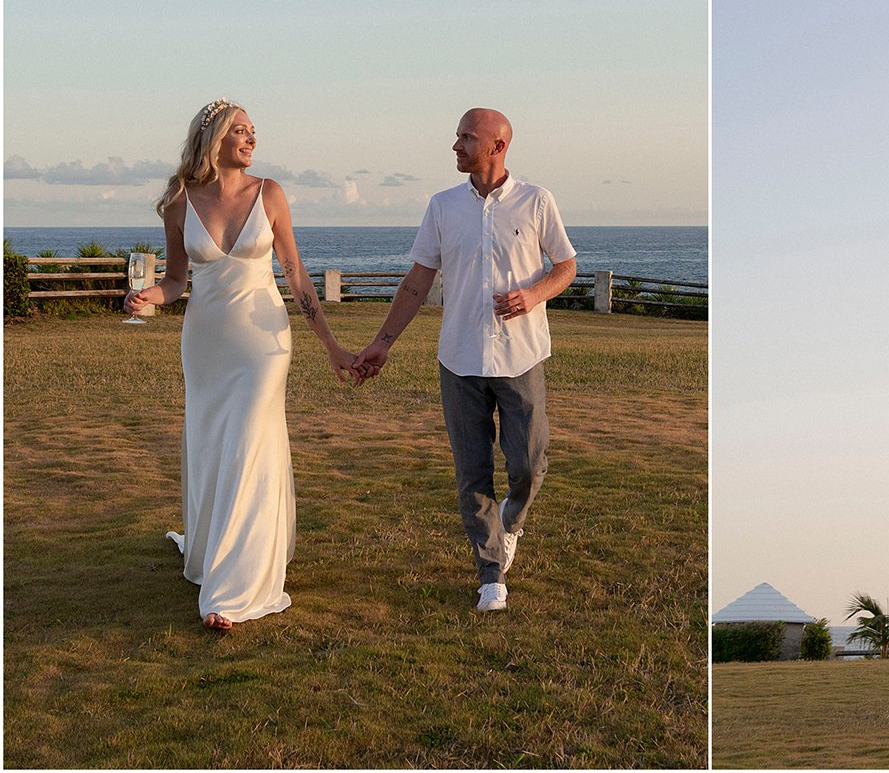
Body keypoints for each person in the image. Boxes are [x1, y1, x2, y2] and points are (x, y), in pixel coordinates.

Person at [128, 100, 358, 631]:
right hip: (206, 343)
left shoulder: (269, 193)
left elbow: (298, 278)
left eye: (254, 131)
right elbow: (176, 281)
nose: (251, 139)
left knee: (252, 440)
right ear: (212, 137)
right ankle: (213, 551)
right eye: (239, 130)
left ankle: (232, 591)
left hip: (263, 343)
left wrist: (331, 346)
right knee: (214, 444)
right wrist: (149, 298)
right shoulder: (179, 202)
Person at [353, 108, 576, 613]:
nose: (455, 144)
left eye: (466, 137)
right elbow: (417, 281)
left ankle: (510, 524)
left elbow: (566, 266)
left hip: (521, 358)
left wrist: (534, 294)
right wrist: (383, 341)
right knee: (471, 473)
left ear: (497, 146)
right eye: (456, 135)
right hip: (459, 361)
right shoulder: (442, 206)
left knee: (527, 465)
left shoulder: (537, 201)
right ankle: (491, 574)